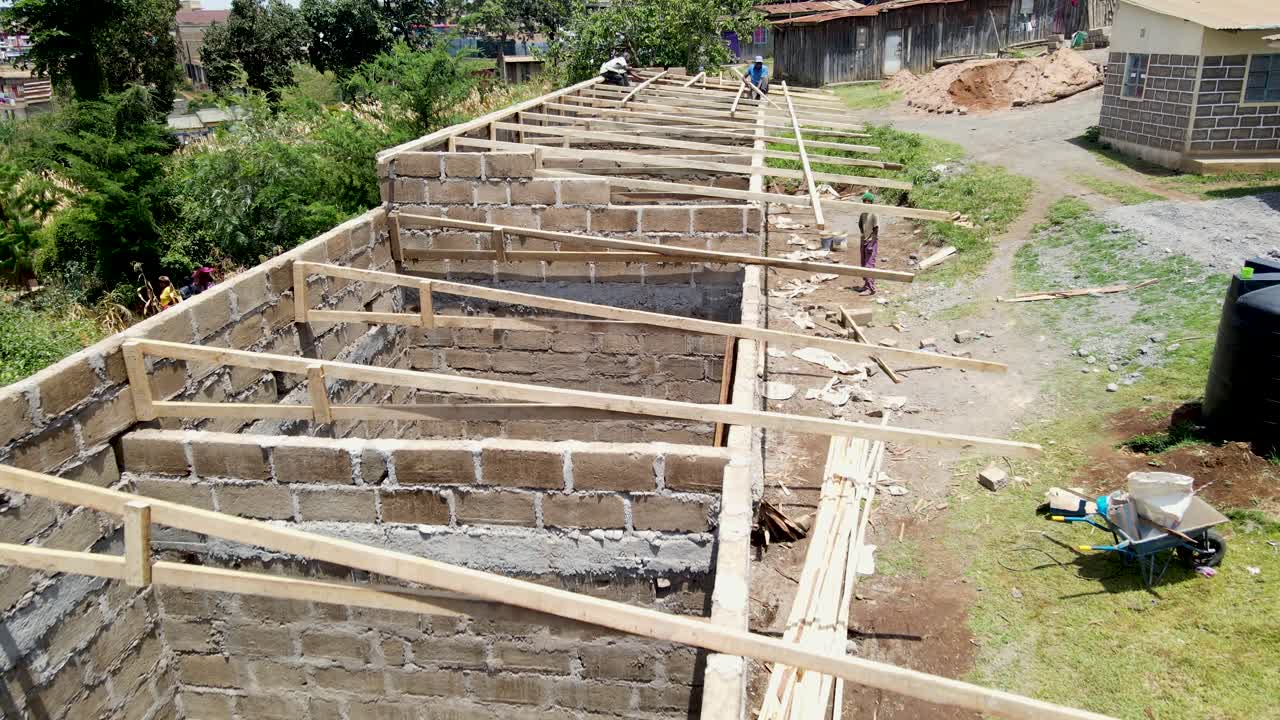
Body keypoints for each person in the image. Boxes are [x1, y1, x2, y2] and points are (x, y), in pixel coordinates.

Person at [857, 191, 879, 296]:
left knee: (869, 264)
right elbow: (860, 225)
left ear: (871, 202)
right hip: (864, 241)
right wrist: (863, 236)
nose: (866, 203)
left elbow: (876, 229)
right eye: (864, 201)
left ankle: (871, 288)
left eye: (868, 201)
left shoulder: (874, 214)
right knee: (863, 263)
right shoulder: (863, 214)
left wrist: (871, 242)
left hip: (871, 242)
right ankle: (866, 285)